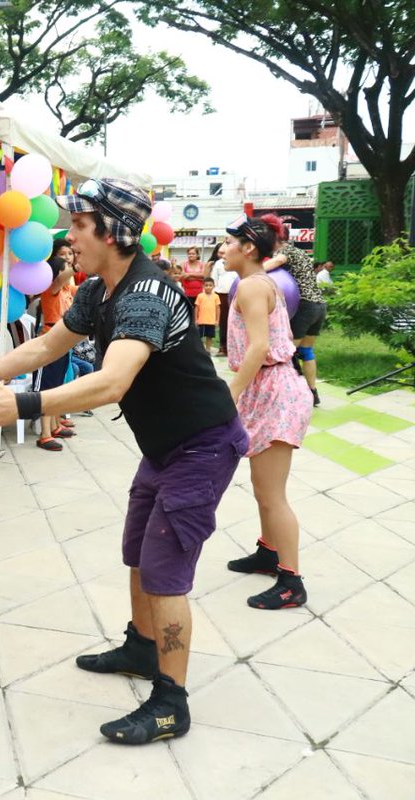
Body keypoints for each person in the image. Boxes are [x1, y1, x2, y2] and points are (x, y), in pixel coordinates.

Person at [0, 178, 248, 745]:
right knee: (137, 551)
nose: (68, 235)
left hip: (200, 446)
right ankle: (140, 648)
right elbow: (48, 346)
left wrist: (21, 405)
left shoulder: (148, 293)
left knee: (165, 570)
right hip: (164, 446)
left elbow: (113, 380)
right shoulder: (101, 290)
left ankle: (171, 703)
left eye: (78, 225)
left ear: (113, 232)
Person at [223, 214, 313, 610]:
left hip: (275, 392)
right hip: (270, 388)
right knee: (263, 490)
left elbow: (260, 347)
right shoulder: (257, 282)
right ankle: (267, 553)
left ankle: (291, 581)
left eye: (229, 242)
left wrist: (231, 393)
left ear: (248, 248)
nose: (222, 249)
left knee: (272, 494)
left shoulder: (253, 287)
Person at [264, 229, 326, 406]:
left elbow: (278, 261)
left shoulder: (285, 250)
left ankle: (291, 394)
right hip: (319, 305)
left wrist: (252, 272)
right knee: (305, 351)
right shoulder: (299, 251)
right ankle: (312, 393)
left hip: (305, 306)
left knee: (287, 352)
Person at [33, 242, 78, 452]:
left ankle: (54, 426)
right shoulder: (51, 288)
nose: (67, 270)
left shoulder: (68, 290)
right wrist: (76, 263)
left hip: (63, 341)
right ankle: (44, 435)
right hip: (50, 341)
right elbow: (60, 279)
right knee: (47, 388)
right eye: (64, 266)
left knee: (58, 384)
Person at [208, 244, 234, 356]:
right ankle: (223, 348)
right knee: (223, 323)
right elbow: (214, 279)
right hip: (221, 295)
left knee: (235, 322)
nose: (223, 255)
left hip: (236, 294)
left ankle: (234, 349)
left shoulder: (237, 261)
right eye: (221, 253)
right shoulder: (218, 264)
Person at [194, 277, 220, 354]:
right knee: (200, 336)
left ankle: (208, 349)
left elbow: (218, 309)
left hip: (211, 321)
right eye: (206, 285)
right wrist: (196, 319)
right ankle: (200, 349)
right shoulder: (200, 296)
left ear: (213, 286)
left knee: (209, 336)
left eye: (210, 285)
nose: (208, 287)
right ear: (203, 286)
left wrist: (217, 320)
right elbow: (196, 308)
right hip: (202, 321)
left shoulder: (216, 296)